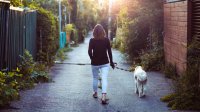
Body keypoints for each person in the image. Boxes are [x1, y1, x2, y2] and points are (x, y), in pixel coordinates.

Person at [88, 24, 115, 104]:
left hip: (95, 63)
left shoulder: (92, 40)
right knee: (104, 78)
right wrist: (111, 62)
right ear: (103, 31)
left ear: (94, 32)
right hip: (105, 63)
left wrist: (92, 59)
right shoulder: (106, 40)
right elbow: (109, 52)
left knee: (95, 78)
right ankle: (103, 96)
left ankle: (95, 93)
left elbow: (89, 52)